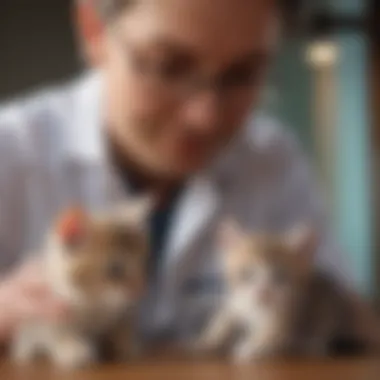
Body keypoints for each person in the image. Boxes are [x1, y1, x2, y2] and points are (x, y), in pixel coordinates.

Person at [0, 0, 349, 345]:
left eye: (243, 74)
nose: (205, 117)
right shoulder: (11, 151)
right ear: (94, 31)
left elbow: (346, 316)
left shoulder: (276, 161)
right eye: (167, 66)